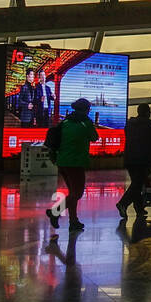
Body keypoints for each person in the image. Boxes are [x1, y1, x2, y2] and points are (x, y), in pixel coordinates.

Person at [46, 97, 99, 232]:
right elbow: (94, 137)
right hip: (75, 162)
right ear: (86, 110)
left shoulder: (66, 121)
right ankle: (55, 212)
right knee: (77, 194)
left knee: (72, 193)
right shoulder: (85, 122)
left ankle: (73, 221)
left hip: (62, 161)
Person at [118, 104, 151, 220]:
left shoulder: (129, 124)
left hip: (129, 157)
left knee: (136, 182)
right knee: (138, 183)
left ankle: (139, 209)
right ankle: (123, 203)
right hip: (143, 158)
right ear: (148, 112)